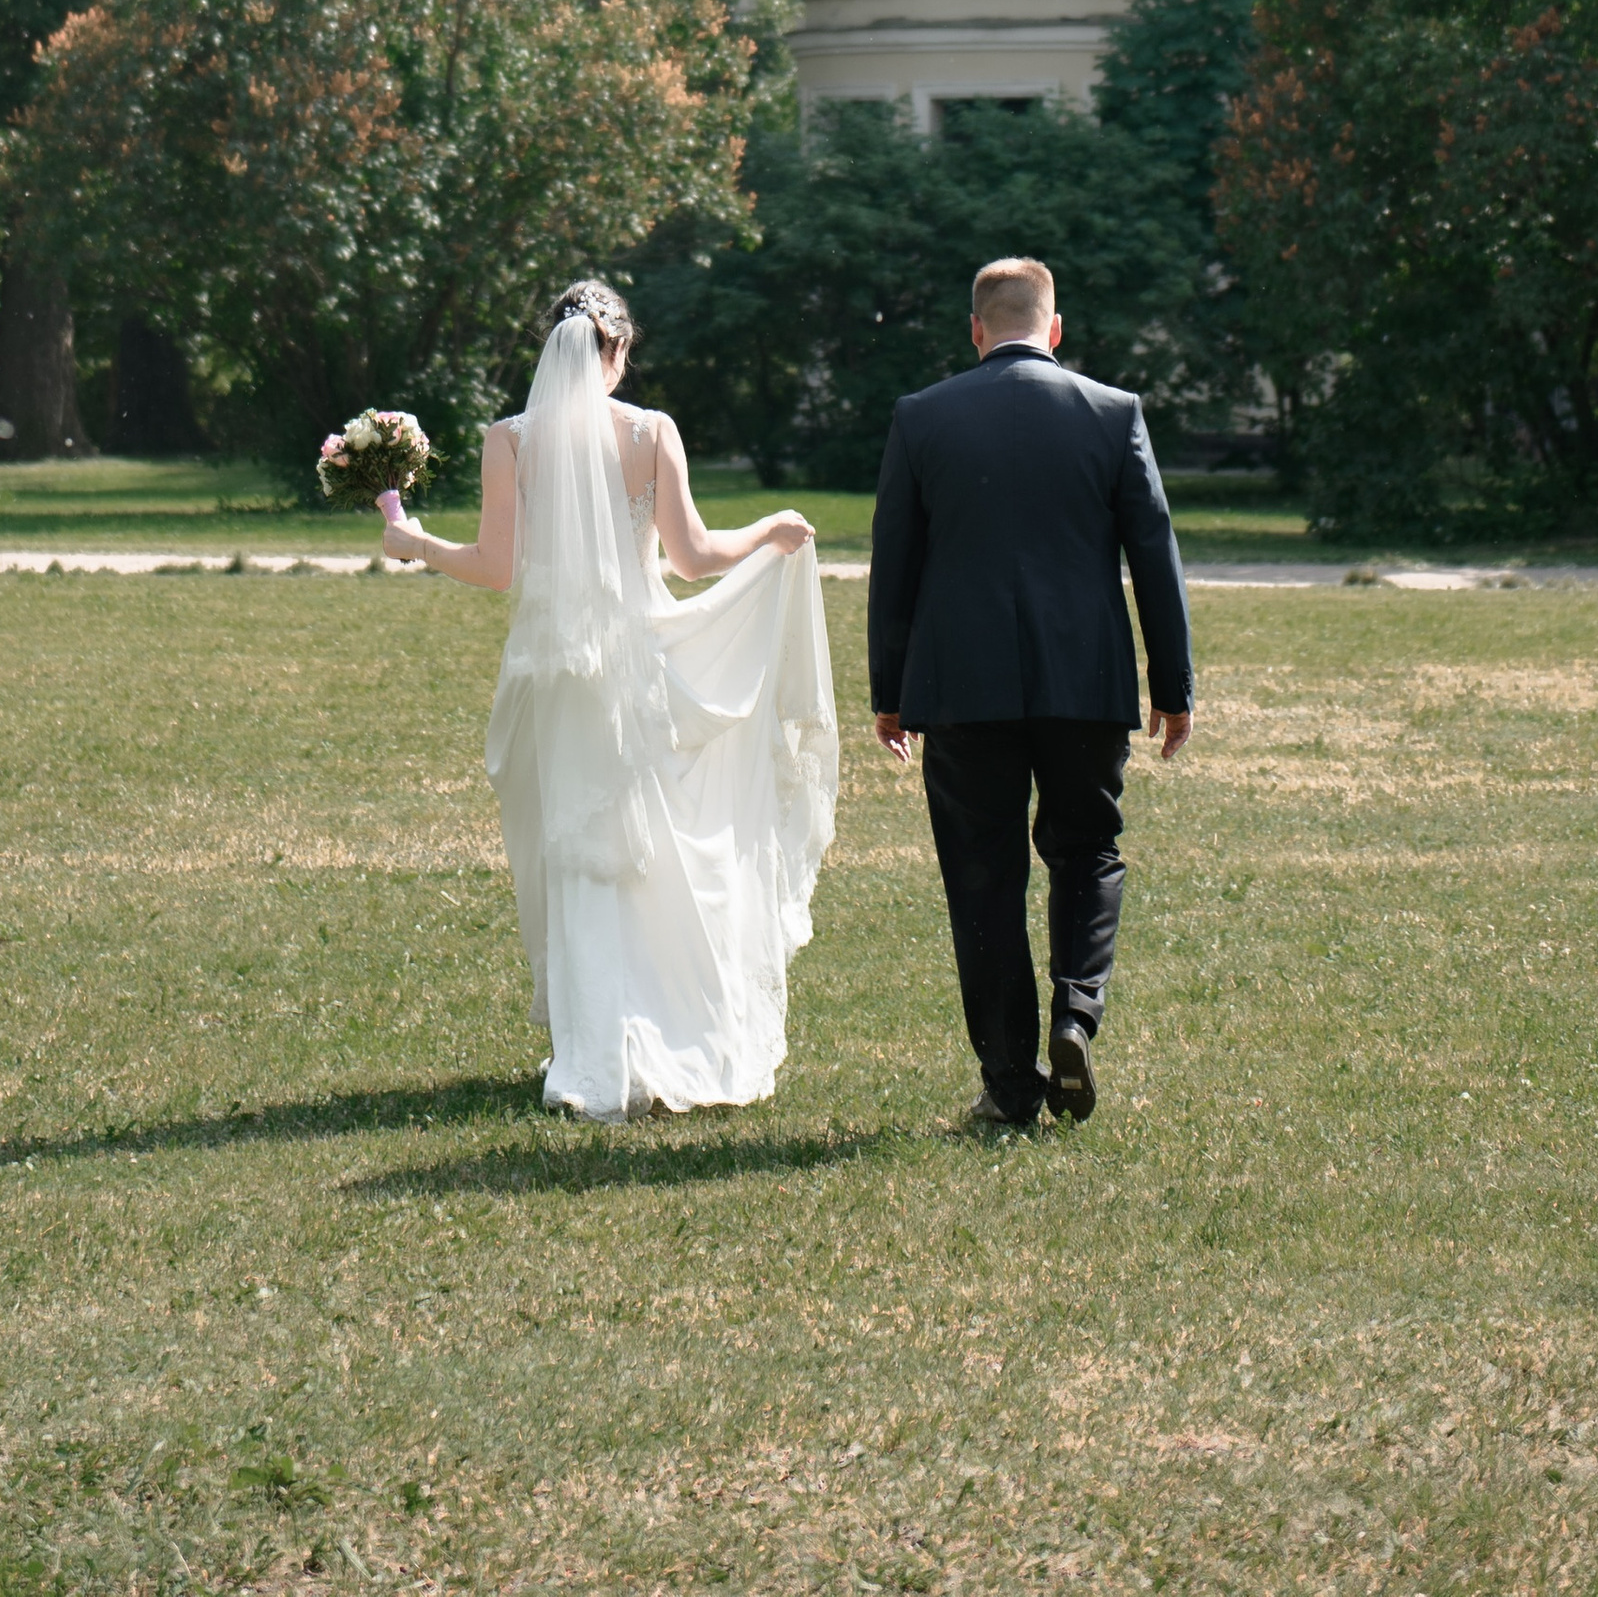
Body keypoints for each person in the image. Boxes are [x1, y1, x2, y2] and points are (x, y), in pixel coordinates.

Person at [381, 280, 838, 1119]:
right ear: (618, 354)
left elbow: (494, 567)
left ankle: (596, 1049)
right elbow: (695, 556)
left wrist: (415, 543)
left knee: (577, 850)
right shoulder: (650, 432)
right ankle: (666, 1029)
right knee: (652, 850)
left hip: (554, 673)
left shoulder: (510, 441)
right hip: (640, 660)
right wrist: (770, 530)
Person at [867, 254, 1193, 1132]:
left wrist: (889, 693)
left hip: (962, 686)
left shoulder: (921, 416)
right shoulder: (1113, 412)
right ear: (1055, 330)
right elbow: (1153, 556)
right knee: (1088, 851)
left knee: (983, 880)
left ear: (977, 330)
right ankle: (1076, 1015)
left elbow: (893, 563)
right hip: (1083, 682)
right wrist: (1174, 685)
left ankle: (1010, 1086)